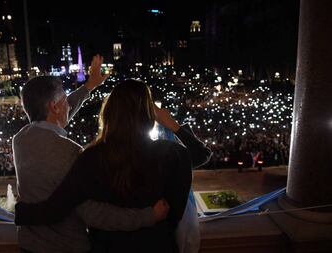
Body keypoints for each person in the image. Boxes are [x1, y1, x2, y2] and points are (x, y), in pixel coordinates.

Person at [15, 79, 212, 253]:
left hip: (107, 247)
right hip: (158, 245)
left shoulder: (91, 157)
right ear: (149, 114)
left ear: (109, 112)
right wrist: (172, 124)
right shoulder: (172, 154)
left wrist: (22, 213)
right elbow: (201, 155)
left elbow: (62, 203)